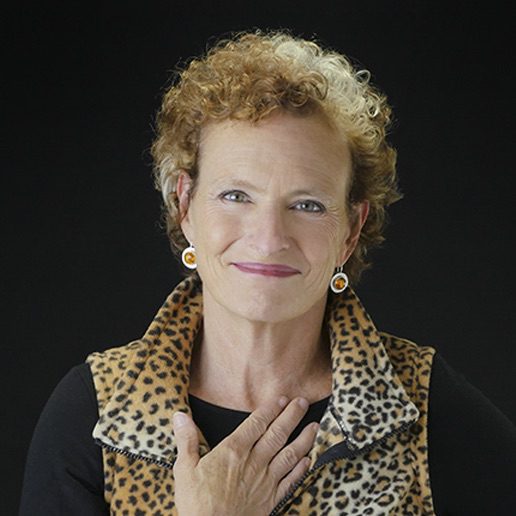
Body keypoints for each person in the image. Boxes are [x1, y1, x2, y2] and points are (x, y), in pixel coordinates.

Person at [20, 30, 516, 515]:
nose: (269, 237)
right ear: (185, 207)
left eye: (307, 204)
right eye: (236, 196)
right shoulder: (95, 413)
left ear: (350, 230)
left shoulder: (421, 407)